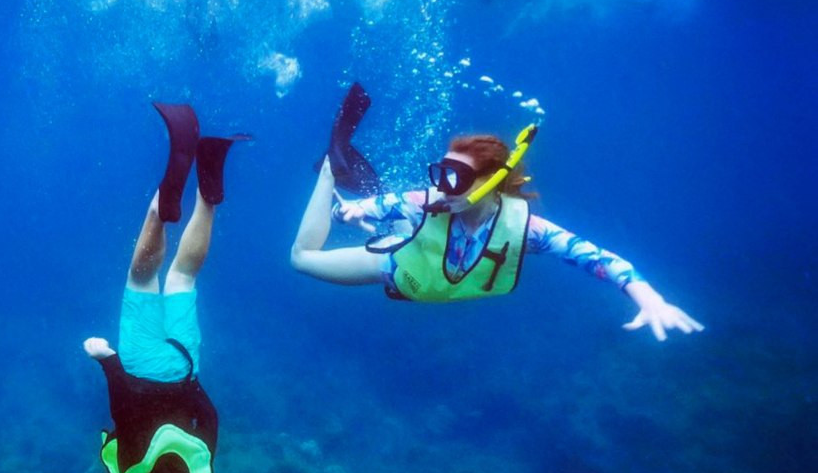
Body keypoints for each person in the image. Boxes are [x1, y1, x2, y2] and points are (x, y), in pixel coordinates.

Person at [291, 83, 703, 342]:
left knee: (401, 220)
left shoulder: (526, 230)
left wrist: (650, 298)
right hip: (397, 267)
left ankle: (384, 220)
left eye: (455, 177)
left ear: (489, 183)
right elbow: (373, 205)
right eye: (440, 172)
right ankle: (332, 164)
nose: (440, 186)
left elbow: (598, 258)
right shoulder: (426, 200)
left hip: (426, 263)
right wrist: (350, 210)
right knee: (302, 259)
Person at [83, 102, 248, 473]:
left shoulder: (202, 469)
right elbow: (124, 409)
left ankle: (208, 193)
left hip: (184, 363)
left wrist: (189, 382)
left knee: (182, 277)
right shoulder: (132, 471)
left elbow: (211, 414)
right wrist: (106, 360)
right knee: (143, 277)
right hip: (138, 363)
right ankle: (163, 204)